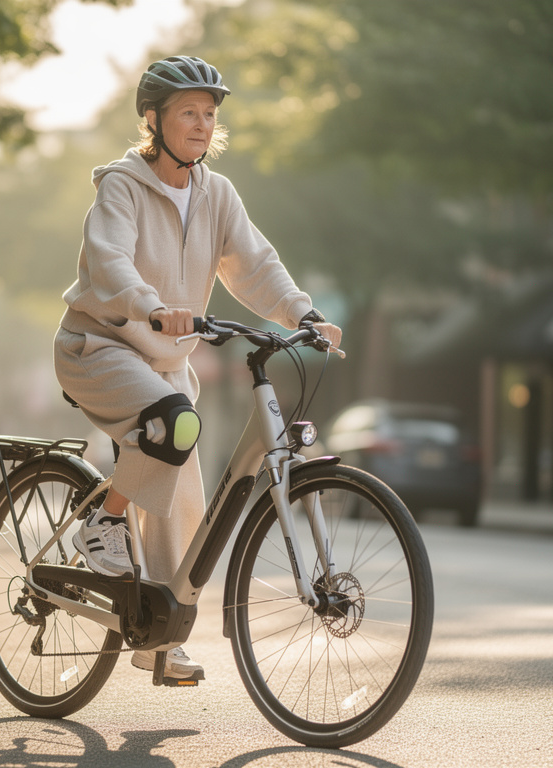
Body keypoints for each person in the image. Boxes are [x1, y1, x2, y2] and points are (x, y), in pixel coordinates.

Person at [53, 55, 342, 679]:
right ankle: (101, 526)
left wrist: (303, 312)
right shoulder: (122, 186)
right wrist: (152, 308)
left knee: (183, 505)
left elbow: (254, 265)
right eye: (189, 112)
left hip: (165, 366)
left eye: (210, 114)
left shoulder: (217, 193)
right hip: (99, 346)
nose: (203, 125)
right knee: (174, 424)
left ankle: (160, 640)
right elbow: (108, 262)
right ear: (153, 120)